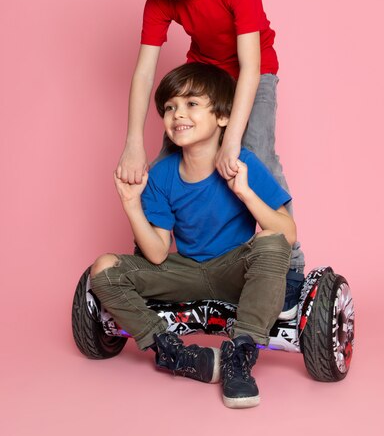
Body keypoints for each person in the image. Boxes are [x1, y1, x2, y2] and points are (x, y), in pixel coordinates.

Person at [115, 0, 304, 273]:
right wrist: (133, 144)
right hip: (205, 69)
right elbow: (143, 72)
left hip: (255, 71)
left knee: (255, 154)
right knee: (171, 156)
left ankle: (290, 266)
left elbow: (249, 67)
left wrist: (232, 138)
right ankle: (151, 264)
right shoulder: (160, 1)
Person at [91, 63, 297, 409]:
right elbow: (156, 253)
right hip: (184, 270)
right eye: (170, 107)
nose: (177, 114)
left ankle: (239, 354)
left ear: (222, 117)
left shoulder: (243, 162)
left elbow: (288, 234)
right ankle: (173, 353)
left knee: (273, 240)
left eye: (191, 104)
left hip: (235, 270)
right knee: (104, 268)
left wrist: (244, 192)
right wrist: (131, 205)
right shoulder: (162, 174)